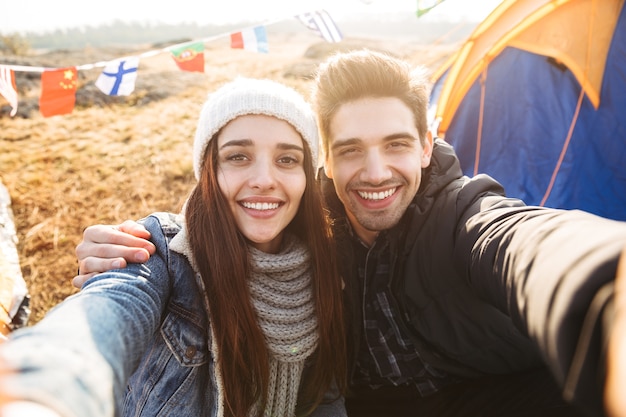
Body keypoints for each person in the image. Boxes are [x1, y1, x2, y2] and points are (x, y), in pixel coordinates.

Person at [74, 50, 626, 417]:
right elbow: (223, 221)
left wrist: (607, 286)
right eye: (350, 150)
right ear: (326, 165)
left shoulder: (462, 216)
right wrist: (125, 251)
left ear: (427, 146)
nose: (376, 171)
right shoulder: (306, 238)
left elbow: (525, 243)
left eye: (396, 144)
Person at [0, 78, 348, 417]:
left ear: (307, 176)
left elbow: (322, 397)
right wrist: (42, 389)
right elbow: (108, 311)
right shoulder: (161, 251)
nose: (264, 179)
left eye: (287, 160)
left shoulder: (322, 269)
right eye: (238, 157)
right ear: (209, 169)